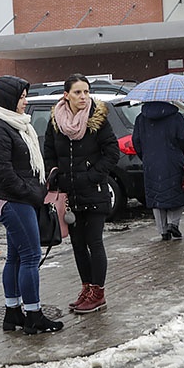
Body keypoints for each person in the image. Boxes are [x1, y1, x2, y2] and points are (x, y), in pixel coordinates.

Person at [0, 75, 64, 335]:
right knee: (30, 256)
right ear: (9, 100)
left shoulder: (14, 125)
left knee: (16, 257)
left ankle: (13, 312)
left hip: (19, 199)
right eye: (22, 97)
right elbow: (3, 173)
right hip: (13, 201)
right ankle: (33, 315)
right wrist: (32, 194)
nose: (25, 102)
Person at [43, 74, 120, 314]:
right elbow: (48, 152)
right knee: (77, 245)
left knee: (94, 242)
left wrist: (92, 176)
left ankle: (98, 293)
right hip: (70, 195)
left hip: (94, 192)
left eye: (86, 92)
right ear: (66, 95)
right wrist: (55, 173)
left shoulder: (98, 119)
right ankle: (86, 288)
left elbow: (112, 153)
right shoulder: (56, 122)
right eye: (77, 92)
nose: (83, 97)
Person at [132, 96, 184, 241]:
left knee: (156, 196)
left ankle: (163, 230)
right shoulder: (175, 117)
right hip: (173, 160)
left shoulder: (141, 119)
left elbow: (136, 142)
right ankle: (173, 223)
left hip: (151, 162)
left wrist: (146, 156)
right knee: (177, 192)